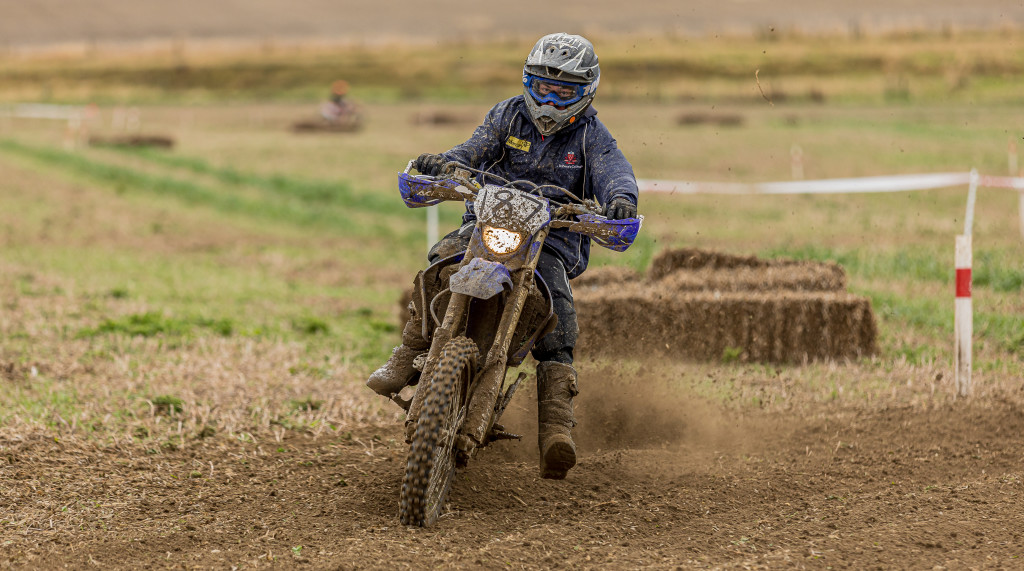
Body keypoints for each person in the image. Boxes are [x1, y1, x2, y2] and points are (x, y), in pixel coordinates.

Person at [367, 33, 639, 480]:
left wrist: (621, 200)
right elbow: (474, 148)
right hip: (487, 224)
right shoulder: (507, 114)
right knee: (441, 259)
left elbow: (615, 171)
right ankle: (410, 349)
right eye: (542, 87)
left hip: (550, 241)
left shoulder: (592, 135)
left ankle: (556, 427)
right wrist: (446, 162)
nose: (549, 100)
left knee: (558, 312)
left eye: (563, 91)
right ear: (527, 82)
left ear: (586, 91)